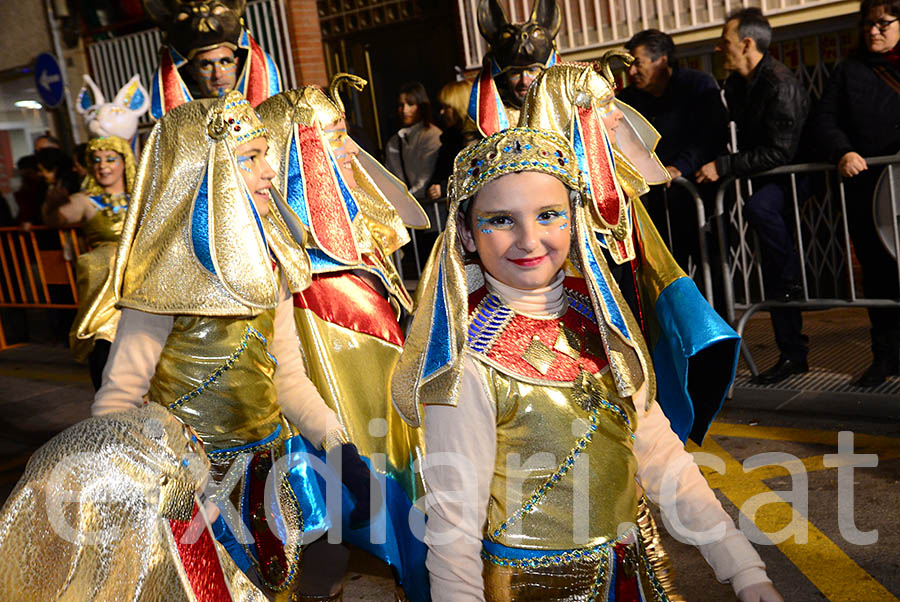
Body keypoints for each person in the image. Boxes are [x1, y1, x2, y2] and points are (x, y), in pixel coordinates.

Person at [392, 128, 782, 602]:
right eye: (501, 220)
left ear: (574, 222)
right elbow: (454, 521)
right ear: (468, 236)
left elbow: (659, 454)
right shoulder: (467, 359)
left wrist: (742, 567)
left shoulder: (599, 319)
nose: (529, 239)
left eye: (549, 215)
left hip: (634, 575)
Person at [91, 91, 373, 598]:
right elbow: (118, 400)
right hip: (188, 490)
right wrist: (158, 489)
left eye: (265, 155)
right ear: (207, 171)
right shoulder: (163, 282)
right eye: (250, 158)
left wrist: (338, 445)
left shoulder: (272, 265)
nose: (269, 171)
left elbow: (286, 376)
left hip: (269, 479)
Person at [259, 81, 431, 601]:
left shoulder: (346, 238)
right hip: (341, 434)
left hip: (386, 424)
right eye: (334, 137)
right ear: (300, 151)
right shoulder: (299, 267)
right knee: (337, 533)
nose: (350, 150)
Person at [696, 8, 810, 385]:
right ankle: (792, 353)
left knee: (760, 210)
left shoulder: (780, 83)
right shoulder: (738, 84)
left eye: (725, 42)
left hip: (792, 175)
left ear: (747, 44)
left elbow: (782, 152)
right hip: (764, 174)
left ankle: (794, 284)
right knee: (772, 270)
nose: (719, 48)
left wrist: (725, 165)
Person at [810, 0, 900, 387]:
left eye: (882, 23)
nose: (873, 30)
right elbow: (824, 119)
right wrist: (843, 151)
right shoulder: (848, 70)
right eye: (867, 24)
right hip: (870, 191)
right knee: (878, 277)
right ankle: (885, 357)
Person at [618, 30, 729, 278]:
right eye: (628, 65)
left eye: (637, 63)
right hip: (656, 204)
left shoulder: (698, 85)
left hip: (699, 194)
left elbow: (712, 136)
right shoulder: (628, 100)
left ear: (663, 60)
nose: (631, 72)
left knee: (710, 270)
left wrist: (679, 167)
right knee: (665, 273)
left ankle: (717, 317)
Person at [42, 136, 136, 389]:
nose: (102, 166)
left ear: (124, 161)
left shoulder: (142, 195)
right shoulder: (85, 200)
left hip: (142, 279)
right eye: (96, 160)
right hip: (104, 285)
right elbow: (58, 218)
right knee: (105, 343)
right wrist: (52, 206)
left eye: (110, 159)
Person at [143, 0, 281, 117]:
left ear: (237, 64)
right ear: (192, 71)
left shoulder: (275, 118)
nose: (218, 74)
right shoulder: (181, 130)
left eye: (225, 62)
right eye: (206, 65)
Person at [467, 0, 560, 138]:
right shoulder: (483, 122)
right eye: (515, 73)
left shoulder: (564, 113)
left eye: (532, 71)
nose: (524, 81)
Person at [384, 82, 442, 201]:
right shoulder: (393, 142)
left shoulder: (433, 135)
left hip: (428, 204)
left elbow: (425, 178)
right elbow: (391, 179)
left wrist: (407, 200)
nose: (405, 110)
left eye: (410, 104)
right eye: (401, 105)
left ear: (421, 106)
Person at [427, 79, 472, 201]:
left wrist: (444, 188)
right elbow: (437, 175)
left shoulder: (478, 139)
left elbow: (477, 176)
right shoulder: (448, 140)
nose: (442, 112)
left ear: (459, 107)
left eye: (447, 107)